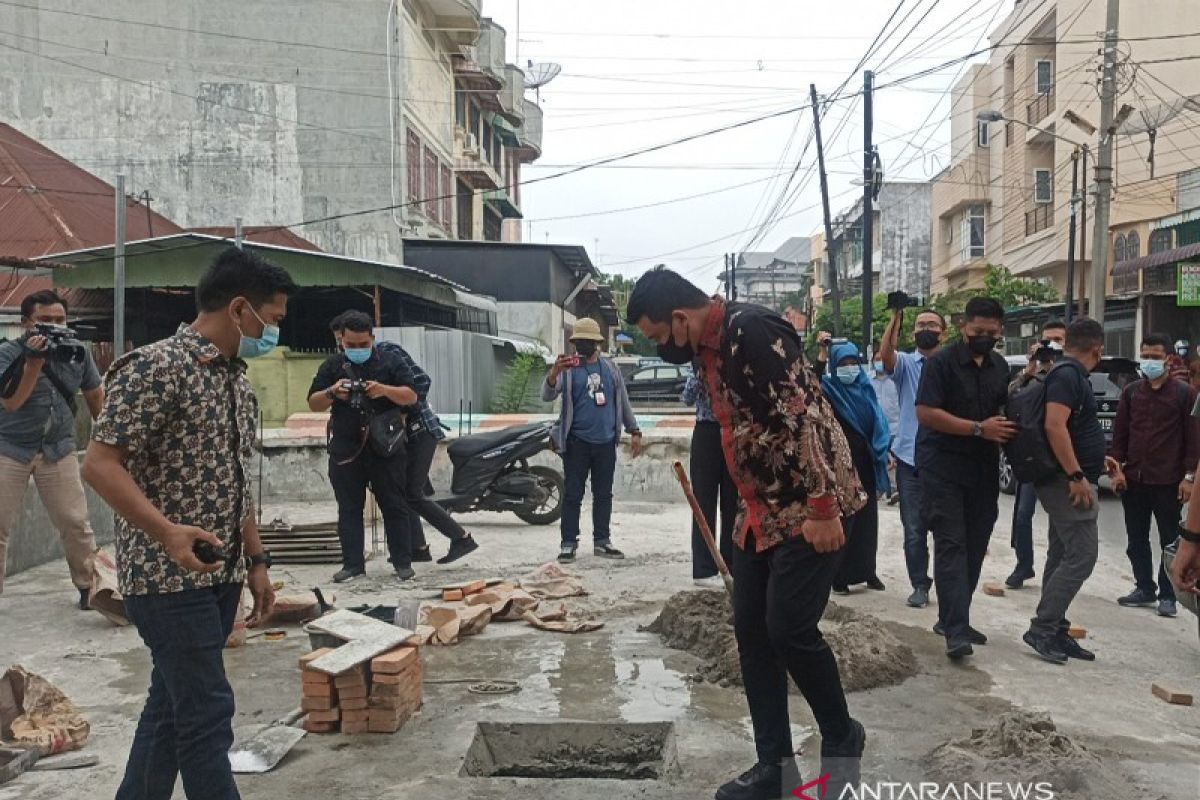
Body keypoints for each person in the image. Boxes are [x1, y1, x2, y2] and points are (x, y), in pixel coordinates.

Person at [628, 267, 867, 800]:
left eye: (659, 337)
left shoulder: (751, 331)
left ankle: (842, 737)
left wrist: (825, 507)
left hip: (808, 503)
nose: (661, 348)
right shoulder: (707, 350)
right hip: (759, 509)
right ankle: (775, 770)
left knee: (789, 629)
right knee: (752, 634)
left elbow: (804, 418)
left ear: (680, 318)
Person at [82, 247, 295, 800]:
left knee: (171, 711)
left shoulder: (235, 383)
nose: (272, 332)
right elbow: (100, 464)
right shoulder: (155, 368)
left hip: (218, 576)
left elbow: (237, 479)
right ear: (240, 309)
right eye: (271, 321)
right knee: (206, 714)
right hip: (165, 578)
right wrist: (167, 532)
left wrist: (257, 561)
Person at [327, 313, 478, 566]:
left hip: (418, 432)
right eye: (343, 343)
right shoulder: (344, 367)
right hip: (392, 440)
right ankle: (417, 547)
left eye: (356, 343)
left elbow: (420, 384)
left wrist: (401, 413)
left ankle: (461, 537)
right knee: (398, 491)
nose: (349, 348)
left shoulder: (388, 354)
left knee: (411, 493)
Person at [915, 297, 1015, 660]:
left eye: (991, 333)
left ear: (1000, 331)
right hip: (941, 465)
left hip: (981, 468)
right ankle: (955, 629)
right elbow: (926, 412)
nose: (984, 338)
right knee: (951, 543)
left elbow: (1004, 411)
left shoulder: (1000, 366)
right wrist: (977, 429)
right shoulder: (941, 363)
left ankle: (955, 616)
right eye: (977, 332)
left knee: (975, 543)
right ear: (963, 328)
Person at [0, 290, 104, 608]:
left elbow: (95, 396)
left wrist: (110, 438)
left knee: (74, 521)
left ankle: (90, 587)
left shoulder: (77, 352)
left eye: (60, 320)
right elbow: (13, 402)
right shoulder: (8, 353)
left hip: (58, 448)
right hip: (10, 446)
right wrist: (33, 362)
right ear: (26, 322)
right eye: (45, 321)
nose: (54, 326)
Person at [308, 311, 421, 582]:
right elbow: (313, 402)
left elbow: (411, 395)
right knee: (349, 508)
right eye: (351, 346)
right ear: (341, 341)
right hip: (347, 449)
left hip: (386, 448)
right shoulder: (332, 366)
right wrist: (333, 392)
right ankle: (353, 565)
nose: (357, 350)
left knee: (394, 505)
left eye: (363, 345)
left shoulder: (391, 362)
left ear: (372, 338)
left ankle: (403, 563)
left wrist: (384, 390)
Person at [1022, 318, 1107, 664]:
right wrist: (1075, 475)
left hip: (1069, 476)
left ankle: (1055, 626)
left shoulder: (1067, 373)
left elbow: (1072, 427)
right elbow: (1054, 425)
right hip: (1064, 480)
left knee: (1061, 555)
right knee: (1082, 555)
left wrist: (1103, 459)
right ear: (1098, 349)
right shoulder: (1068, 375)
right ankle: (1042, 628)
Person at [1107, 332, 1200, 617]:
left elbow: (1193, 439)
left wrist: (1188, 477)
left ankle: (1168, 594)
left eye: (1155, 357)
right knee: (1136, 538)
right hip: (1135, 478)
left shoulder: (1185, 394)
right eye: (1145, 356)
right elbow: (1120, 435)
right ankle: (1144, 587)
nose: (1149, 361)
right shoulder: (1132, 392)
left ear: (1168, 360)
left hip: (1168, 481)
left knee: (1169, 538)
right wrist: (1116, 469)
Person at [543, 318, 641, 563]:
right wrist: (554, 372)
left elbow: (623, 401)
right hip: (576, 443)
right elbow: (546, 395)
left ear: (597, 343)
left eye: (587, 342)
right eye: (579, 342)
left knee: (603, 494)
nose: (582, 346)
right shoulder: (568, 370)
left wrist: (634, 429)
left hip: (606, 443)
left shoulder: (610, 369)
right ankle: (568, 543)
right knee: (573, 494)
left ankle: (602, 541)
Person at [880, 305, 948, 608]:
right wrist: (895, 318)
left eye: (932, 324)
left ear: (943, 332)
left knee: (948, 531)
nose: (926, 329)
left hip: (946, 460)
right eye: (921, 324)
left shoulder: (952, 366)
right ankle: (920, 584)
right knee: (914, 531)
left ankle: (950, 588)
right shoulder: (907, 365)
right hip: (910, 460)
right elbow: (886, 355)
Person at [815, 337, 891, 595]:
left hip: (866, 461)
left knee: (868, 521)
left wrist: (883, 450)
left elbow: (878, 422)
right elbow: (810, 385)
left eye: (853, 362)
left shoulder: (866, 388)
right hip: (840, 466)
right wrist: (822, 354)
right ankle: (840, 577)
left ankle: (867, 571)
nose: (849, 367)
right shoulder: (827, 389)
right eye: (843, 363)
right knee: (847, 520)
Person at [1005, 320, 1067, 590]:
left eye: (1058, 340)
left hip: (1059, 457)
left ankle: (1057, 570)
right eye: (1047, 340)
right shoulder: (1034, 374)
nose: (1051, 345)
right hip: (1034, 454)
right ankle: (1023, 564)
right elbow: (1010, 396)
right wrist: (1031, 367)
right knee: (1022, 514)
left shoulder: (1069, 374)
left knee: (1059, 520)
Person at [682, 368, 735, 589]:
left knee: (733, 504)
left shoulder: (734, 359)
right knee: (703, 502)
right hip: (706, 432)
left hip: (733, 432)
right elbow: (687, 398)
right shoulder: (696, 362)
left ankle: (733, 565)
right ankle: (704, 569)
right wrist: (699, 373)